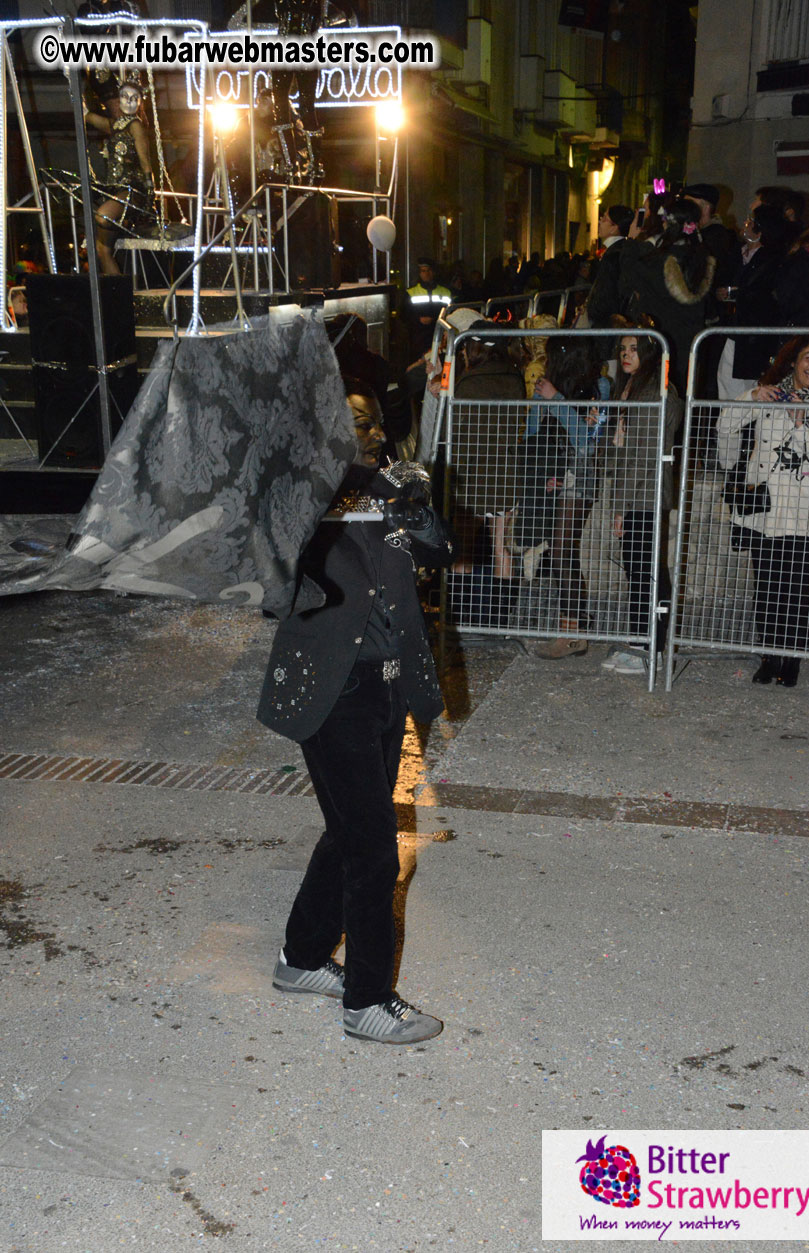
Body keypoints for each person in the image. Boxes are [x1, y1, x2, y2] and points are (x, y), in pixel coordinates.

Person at [257, 379, 452, 1044]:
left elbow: (441, 552)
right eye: (353, 423)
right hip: (331, 690)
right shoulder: (299, 496)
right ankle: (366, 1001)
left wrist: (414, 507)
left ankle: (302, 958)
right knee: (374, 849)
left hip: (390, 686)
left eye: (372, 422)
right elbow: (274, 584)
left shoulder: (392, 486)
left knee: (349, 830)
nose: (368, 433)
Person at [716, 336, 809, 687]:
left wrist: (800, 423)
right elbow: (725, 425)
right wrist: (752, 396)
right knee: (766, 587)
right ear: (793, 361)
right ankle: (768, 655)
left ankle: (791, 658)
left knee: (796, 589)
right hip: (763, 512)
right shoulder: (769, 396)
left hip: (799, 512)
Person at [601, 331, 684, 675]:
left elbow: (641, 458)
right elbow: (619, 454)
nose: (626, 354)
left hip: (645, 492)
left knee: (645, 572)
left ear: (649, 353)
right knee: (641, 570)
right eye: (622, 348)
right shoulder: (633, 388)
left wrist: (620, 507)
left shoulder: (653, 391)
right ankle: (644, 642)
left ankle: (649, 646)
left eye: (634, 348)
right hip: (638, 491)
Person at [523, 337, 612, 658]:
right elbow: (532, 434)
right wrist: (541, 402)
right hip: (553, 474)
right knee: (560, 549)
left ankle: (572, 632)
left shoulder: (600, 386)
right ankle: (573, 627)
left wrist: (556, 400)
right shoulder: (549, 385)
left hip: (579, 475)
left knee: (562, 548)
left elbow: (588, 441)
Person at [618, 199, 715, 394]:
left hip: (661, 338)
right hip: (691, 340)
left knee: (659, 392)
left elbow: (629, 276)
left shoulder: (659, 261)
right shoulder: (703, 259)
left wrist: (631, 241)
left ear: (668, 223)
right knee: (685, 392)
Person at [716, 202, 788, 400]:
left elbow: (766, 293)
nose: (745, 224)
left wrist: (741, 294)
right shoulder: (736, 252)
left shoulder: (772, 259)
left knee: (748, 383)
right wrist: (720, 293)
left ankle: (739, 417)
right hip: (734, 327)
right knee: (728, 379)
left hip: (754, 332)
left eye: (751, 221)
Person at [83, 79, 153, 276]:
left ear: (140, 102)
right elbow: (89, 117)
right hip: (117, 191)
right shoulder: (116, 125)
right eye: (124, 96)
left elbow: (145, 160)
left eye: (134, 98)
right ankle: (117, 291)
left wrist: (150, 193)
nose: (128, 101)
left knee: (103, 216)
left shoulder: (135, 125)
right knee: (102, 250)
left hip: (132, 190)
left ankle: (124, 223)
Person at [585, 204, 635, 327]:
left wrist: (594, 310)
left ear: (614, 228)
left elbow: (607, 290)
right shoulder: (621, 250)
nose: (599, 222)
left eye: (604, 219)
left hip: (607, 321)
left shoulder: (613, 255)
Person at [404, 257, 452, 358]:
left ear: (434, 272)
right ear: (419, 273)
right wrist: (418, 320)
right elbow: (404, 314)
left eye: (429, 270)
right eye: (423, 271)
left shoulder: (445, 292)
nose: (426, 274)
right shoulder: (411, 292)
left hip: (439, 335)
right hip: (418, 337)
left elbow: (450, 314)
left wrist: (434, 320)